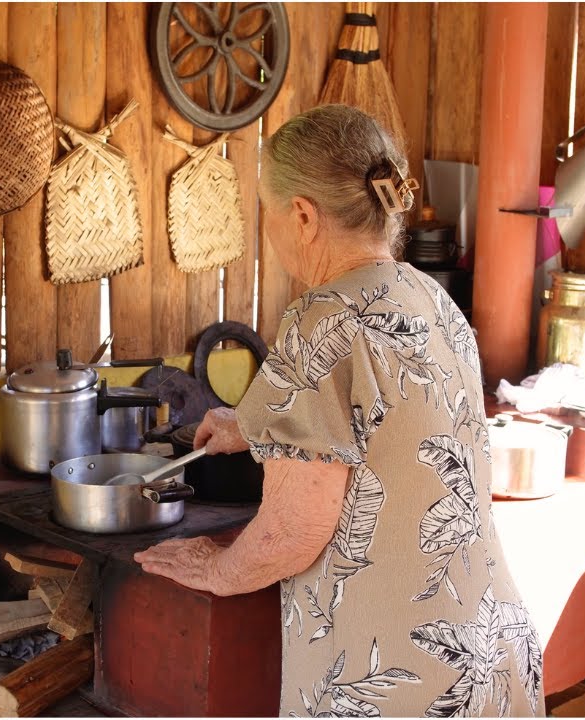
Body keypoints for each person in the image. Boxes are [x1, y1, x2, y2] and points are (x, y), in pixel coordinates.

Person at [133, 105, 543, 717]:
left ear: (302, 215)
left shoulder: (320, 319)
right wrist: (250, 425)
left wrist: (217, 569)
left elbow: (292, 533)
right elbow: (388, 421)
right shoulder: (429, 297)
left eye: (267, 213)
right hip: (490, 654)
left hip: (397, 679)